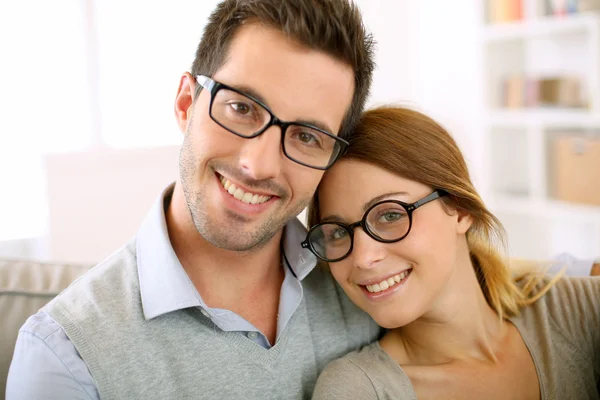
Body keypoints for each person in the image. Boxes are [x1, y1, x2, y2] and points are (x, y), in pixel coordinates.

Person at [6, 1, 380, 399]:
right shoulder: (66, 355)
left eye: (307, 136)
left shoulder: (365, 291)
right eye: (241, 108)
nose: (258, 165)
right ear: (187, 103)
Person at [305, 106, 600, 399]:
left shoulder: (578, 312)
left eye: (390, 215)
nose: (363, 258)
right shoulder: (360, 391)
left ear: (459, 209)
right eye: (338, 233)